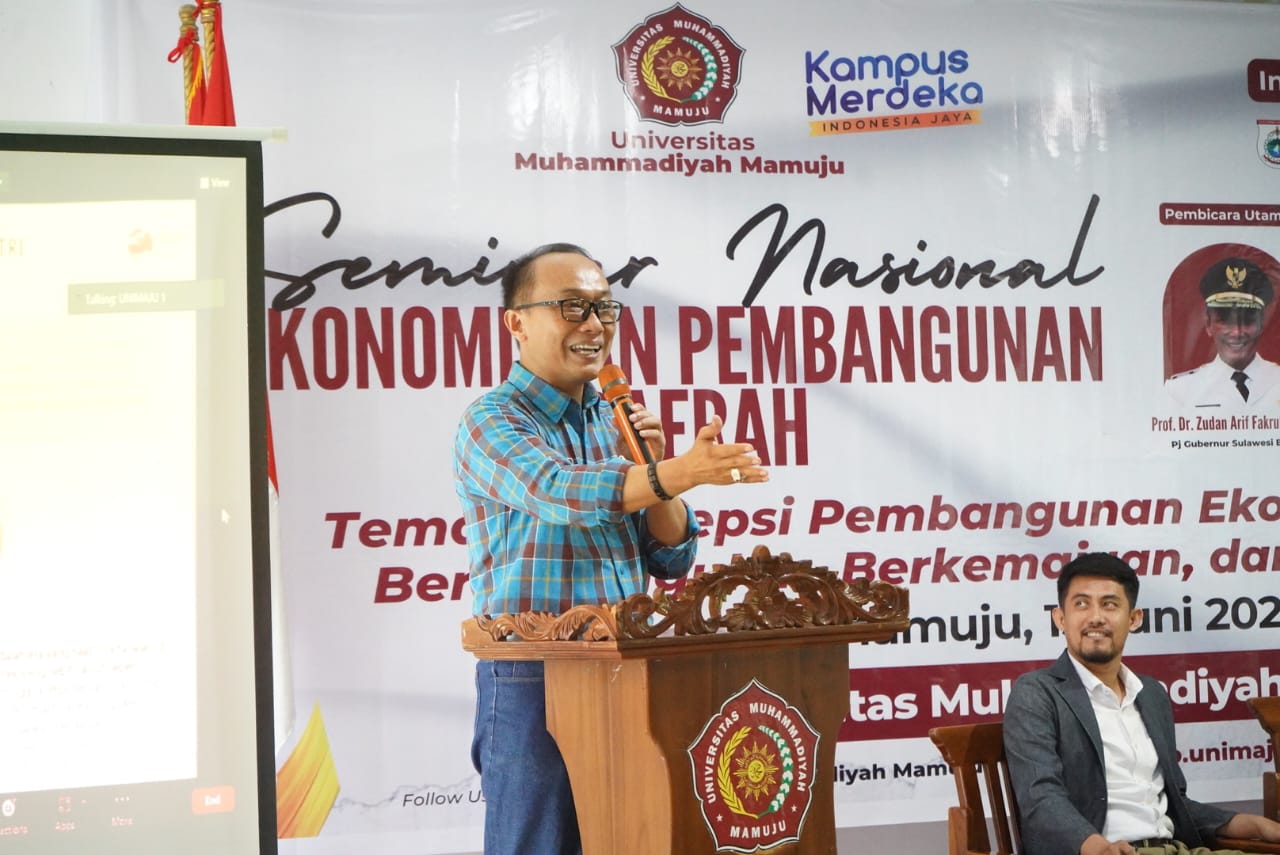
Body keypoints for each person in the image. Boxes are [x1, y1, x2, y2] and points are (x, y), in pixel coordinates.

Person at [452, 242, 766, 855]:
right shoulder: (492, 419)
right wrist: (677, 472)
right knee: (538, 845)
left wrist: (658, 472)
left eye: (604, 308)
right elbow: (561, 491)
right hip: (534, 672)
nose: (594, 325)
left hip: (629, 665)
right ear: (517, 323)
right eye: (571, 307)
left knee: (629, 839)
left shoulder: (612, 418)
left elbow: (671, 557)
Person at [1003, 552, 1280, 855]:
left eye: (1110, 604)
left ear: (1134, 619)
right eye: (1081, 604)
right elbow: (1040, 797)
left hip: (1174, 848)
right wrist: (1098, 847)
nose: (1096, 617)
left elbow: (1175, 804)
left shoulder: (1150, 694)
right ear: (1060, 618)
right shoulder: (1037, 693)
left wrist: (1250, 825)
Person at [1166, 257, 1280, 410]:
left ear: (1261, 323)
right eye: (1225, 320)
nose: (1237, 332)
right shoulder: (1180, 392)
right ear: (1208, 323)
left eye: (1248, 320)